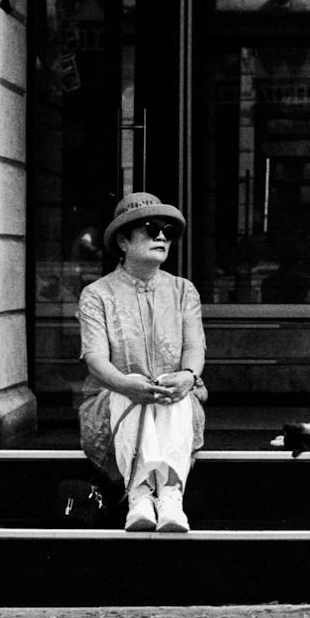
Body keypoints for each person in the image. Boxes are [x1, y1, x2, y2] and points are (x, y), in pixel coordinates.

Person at [77, 191, 208, 532]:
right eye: (151, 229)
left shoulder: (184, 290)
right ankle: (138, 493)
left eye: (167, 231)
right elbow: (95, 359)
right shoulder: (97, 294)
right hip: (115, 406)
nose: (162, 236)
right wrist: (125, 384)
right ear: (123, 240)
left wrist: (188, 376)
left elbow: (195, 349)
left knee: (176, 389)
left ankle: (170, 497)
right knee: (127, 390)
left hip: (171, 405)